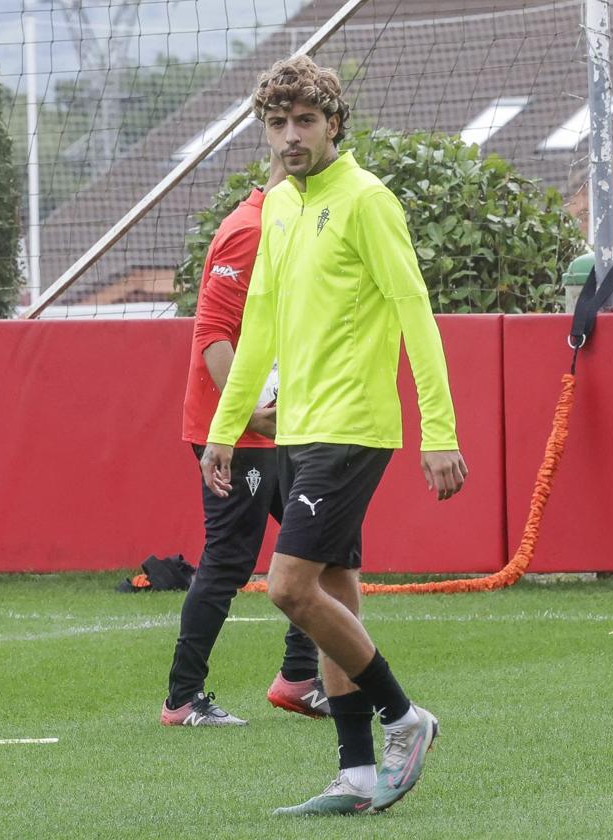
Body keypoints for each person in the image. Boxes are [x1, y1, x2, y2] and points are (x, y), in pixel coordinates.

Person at [201, 56, 468, 814]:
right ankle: (354, 774)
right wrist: (227, 429)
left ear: (334, 124)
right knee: (338, 593)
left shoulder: (367, 201)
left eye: (305, 121)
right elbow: (257, 327)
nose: (290, 136)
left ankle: (403, 717)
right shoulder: (279, 205)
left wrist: (438, 431)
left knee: (289, 586)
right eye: (277, 123)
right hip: (299, 430)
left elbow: (415, 311)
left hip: (353, 427)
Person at [162, 151, 329, 728]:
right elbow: (212, 334)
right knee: (230, 559)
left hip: (279, 428)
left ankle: (299, 677)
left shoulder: (294, 224)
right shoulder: (248, 229)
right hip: (236, 430)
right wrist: (246, 416)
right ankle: (182, 699)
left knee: (323, 539)